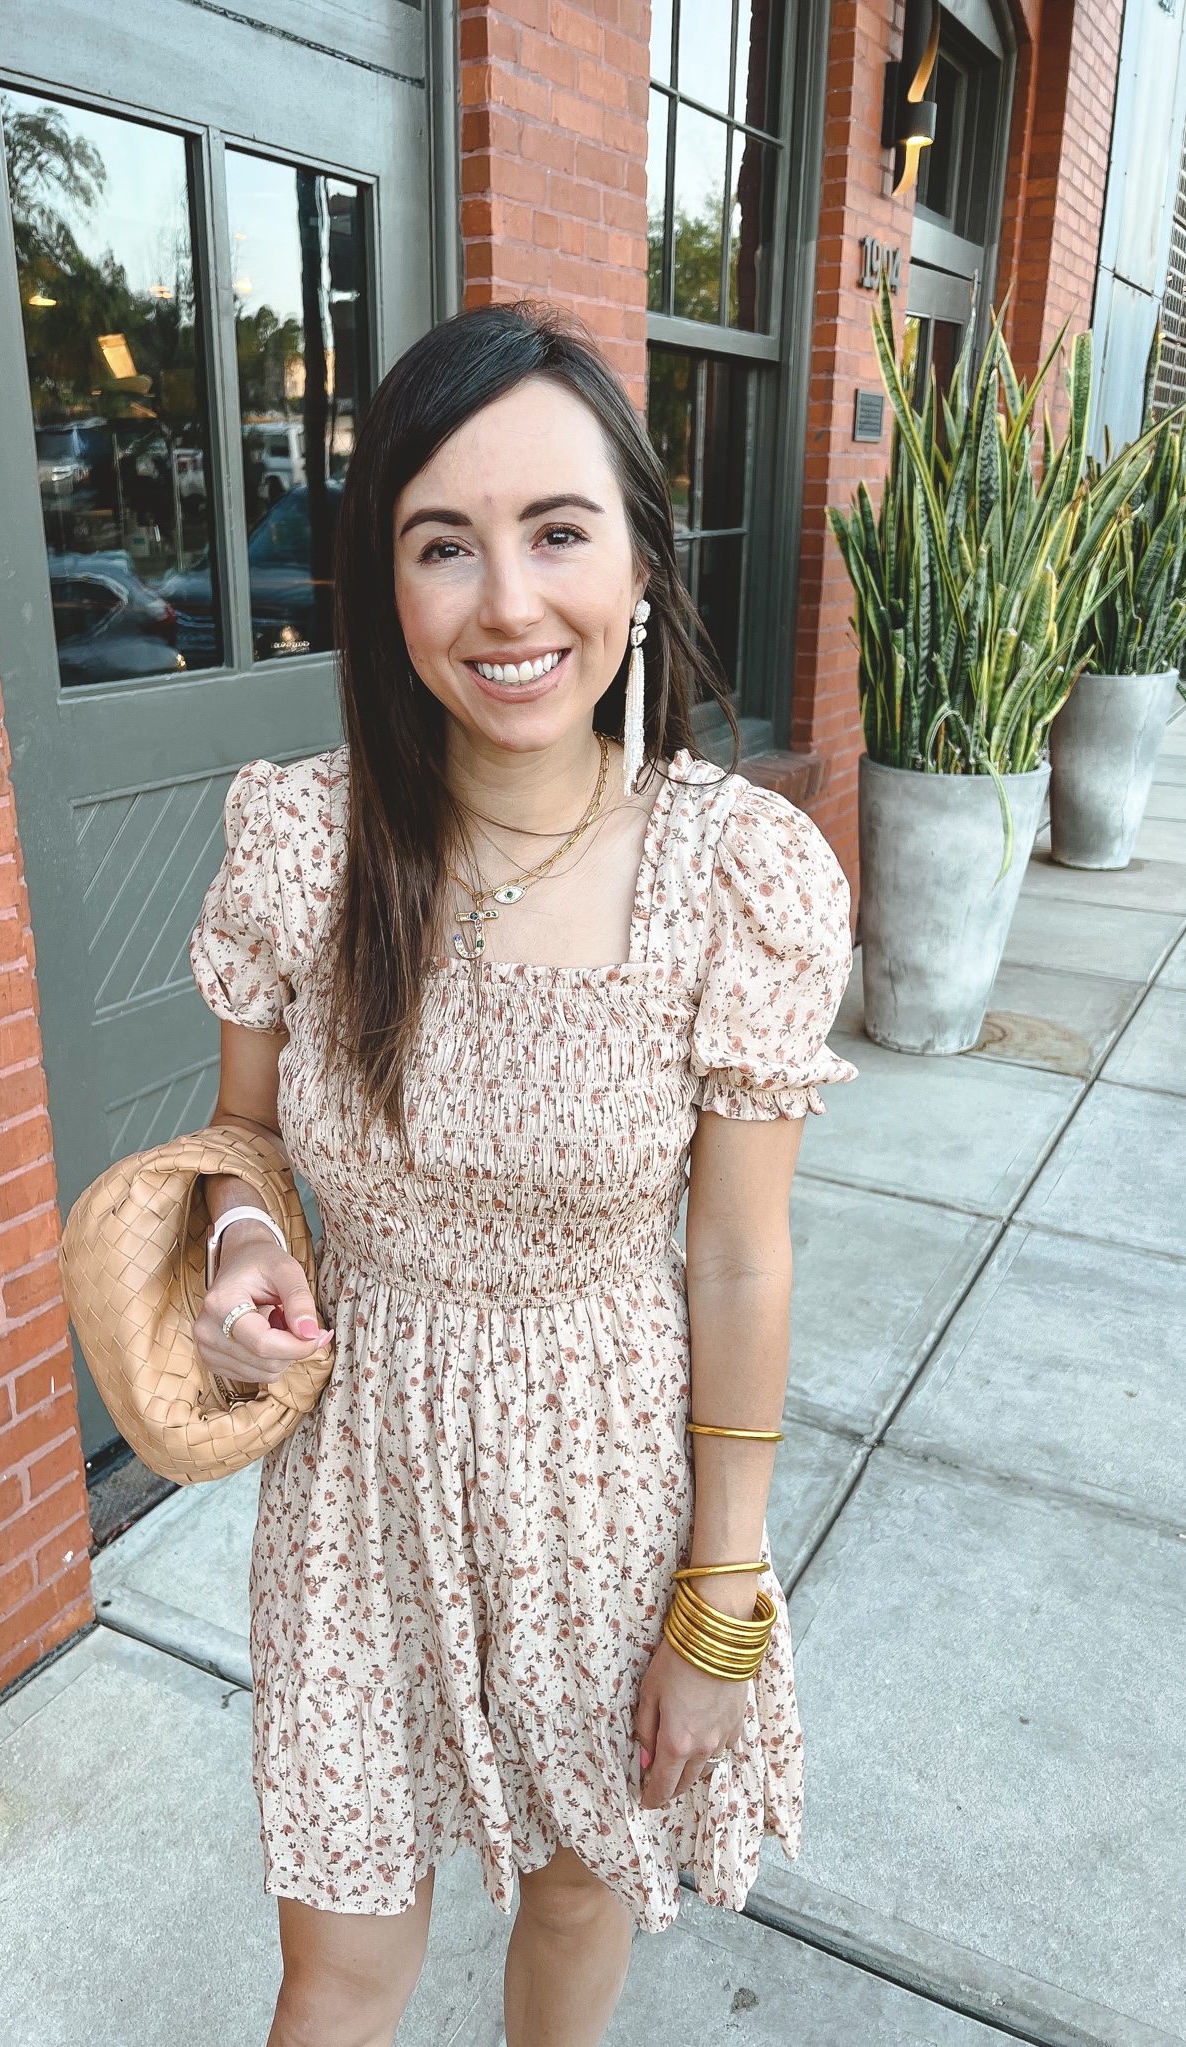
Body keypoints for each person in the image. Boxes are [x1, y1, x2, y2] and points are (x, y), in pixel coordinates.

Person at [189, 302, 854, 2047]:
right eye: (441, 544)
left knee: (574, 1895)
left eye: (557, 531)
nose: (506, 603)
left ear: (638, 555)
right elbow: (238, 1137)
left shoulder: (736, 876)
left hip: (607, 1482)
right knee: (334, 1965)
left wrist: (720, 1590)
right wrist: (247, 1231)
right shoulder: (303, 844)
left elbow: (736, 1258)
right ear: (384, 586)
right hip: (358, 1484)